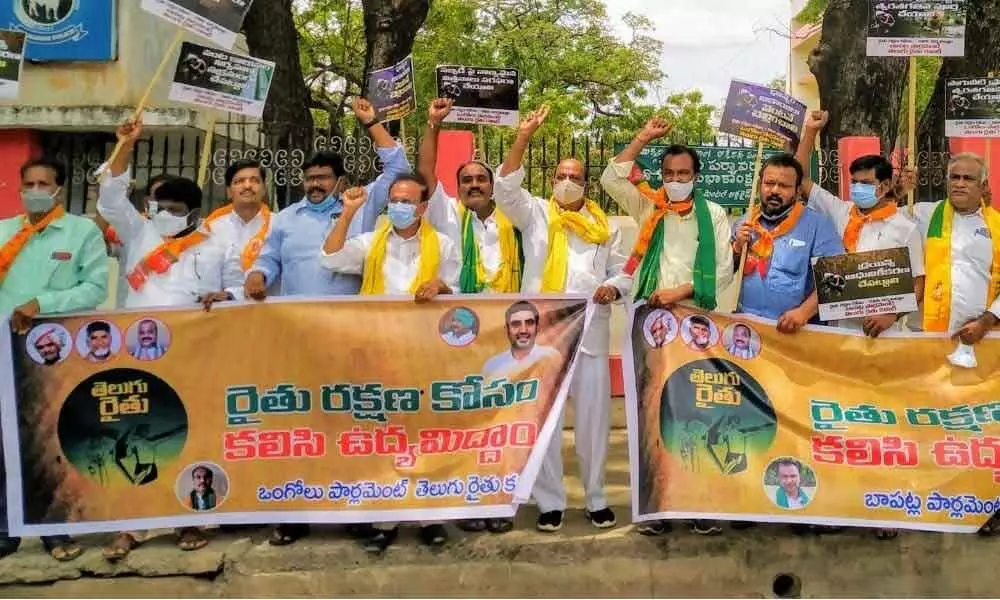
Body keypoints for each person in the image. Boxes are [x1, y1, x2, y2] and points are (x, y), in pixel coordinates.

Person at [493, 105, 631, 533]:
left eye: (576, 176)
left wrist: (614, 289)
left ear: (587, 185)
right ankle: (550, 501)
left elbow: (625, 271)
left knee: (593, 424)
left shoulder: (604, 226)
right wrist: (523, 136)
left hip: (590, 333)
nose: (568, 182)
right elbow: (504, 187)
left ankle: (595, 498)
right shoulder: (534, 213)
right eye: (561, 175)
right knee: (547, 423)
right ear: (552, 181)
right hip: (545, 335)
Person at [97, 115, 227, 558]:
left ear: (191, 213)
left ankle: (189, 519)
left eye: (173, 209)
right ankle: (131, 526)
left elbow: (231, 290)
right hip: (137, 352)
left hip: (192, 352)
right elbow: (111, 196)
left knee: (189, 433)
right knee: (133, 436)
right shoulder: (139, 232)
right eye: (159, 206)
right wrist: (126, 145)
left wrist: (223, 294)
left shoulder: (213, 244)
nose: (162, 214)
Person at [319, 175, 460, 553]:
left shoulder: (443, 245)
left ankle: (430, 518)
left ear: (422, 207)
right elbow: (330, 256)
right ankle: (385, 519)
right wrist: (348, 214)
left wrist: (443, 287)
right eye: (393, 200)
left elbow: (462, 290)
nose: (397, 206)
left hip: (425, 352)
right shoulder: (372, 241)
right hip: (378, 350)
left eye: (406, 200)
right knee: (384, 435)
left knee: (425, 434)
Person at [417, 97, 523, 534]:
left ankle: (499, 501)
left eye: (482, 179)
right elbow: (425, 175)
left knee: (502, 423)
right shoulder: (448, 217)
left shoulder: (515, 221)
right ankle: (463, 499)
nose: (475, 184)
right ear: (458, 187)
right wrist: (433, 127)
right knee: (463, 422)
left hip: (507, 337)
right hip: (460, 335)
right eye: (468, 179)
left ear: (494, 186)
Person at [0, 156, 108, 562]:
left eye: (44, 184)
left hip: (52, 349)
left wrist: (43, 302)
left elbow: (94, 288)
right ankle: (5, 530)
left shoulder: (81, 233)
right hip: (4, 348)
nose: (35, 191)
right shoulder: (4, 231)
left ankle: (56, 530)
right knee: (4, 442)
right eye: (29, 183)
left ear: (59, 190)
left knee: (48, 444)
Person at [243, 98, 411, 301]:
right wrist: (256, 275)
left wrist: (371, 122)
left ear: (341, 182)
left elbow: (399, 170)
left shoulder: (360, 205)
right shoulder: (285, 218)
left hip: (348, 320)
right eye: (309, 179)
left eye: (323, 178)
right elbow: (269, 259)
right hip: (296, 319)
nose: (315, 185)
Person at [795, 110, 924, 337]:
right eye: (854, 182)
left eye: (865, 183)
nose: (856, 188)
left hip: (881, 334)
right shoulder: (840, 211)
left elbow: (917, 286)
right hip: (836, 328)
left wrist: (891, 316)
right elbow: (801, 178)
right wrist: (810, 132)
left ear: (884, 187)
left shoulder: (906, 228)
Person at [601, 117, 734, 311]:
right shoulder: (648, 206)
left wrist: (681, 291)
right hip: (650, 311)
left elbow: (724, 270)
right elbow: (610, 179)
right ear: (662, 175)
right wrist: (643, 138)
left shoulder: (714, 214)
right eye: (668, 173)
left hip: (694, 315)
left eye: (683, 173)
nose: (675, 179)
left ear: (695, 177)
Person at [732, 154, 845, 330]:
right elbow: (725, 272)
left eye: (784, 186)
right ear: (759, 185)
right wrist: (737, 248)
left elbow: (838, 277)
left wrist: (804, 312)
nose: (775, 190)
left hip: (795, 334)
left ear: (798, 191)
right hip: (747, 329)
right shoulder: (745, 223)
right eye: (769, 183)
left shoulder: (817, 226)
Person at [912, 153, 1000, 345]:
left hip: (983, 337)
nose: (959, 184)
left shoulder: (997, 226)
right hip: (932, 336)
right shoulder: (925, 214)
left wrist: (986, 322)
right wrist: (898, 190)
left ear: (983, 186)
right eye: (955, 177)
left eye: (968, 179)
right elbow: (885, 219)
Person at [199, 159, 274, 309]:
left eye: (255, 180)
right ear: (228, 191)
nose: (247, 186)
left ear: (264, 189)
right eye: (239, 181)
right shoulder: (211, 228)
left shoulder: (278, 224)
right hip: (223, 311)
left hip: (270, 310)